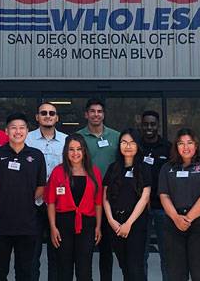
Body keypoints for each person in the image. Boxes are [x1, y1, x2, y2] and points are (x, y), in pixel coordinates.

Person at [0, 113, 46, 281]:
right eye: (13, 128)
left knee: (25, 272)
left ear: (28, 131)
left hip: (27, 225)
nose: (17, 132)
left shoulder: (36, 155)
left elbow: (41, 186)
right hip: (1, 225)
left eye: (22, 128)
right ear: (6, 131)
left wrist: (26, 202)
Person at [158, 128, 200, 281]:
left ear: (196, 145)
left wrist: (188, 219)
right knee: (175, 274)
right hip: (173, 225)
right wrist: (176, 218)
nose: (186, 147)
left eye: (190, 143)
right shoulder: (167, 168)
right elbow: (164, 195)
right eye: (181, 143)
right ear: (176, 147)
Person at [46, 133, 103, 281]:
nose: (75, 153)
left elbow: (98, 202)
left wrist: (98, 226)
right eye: (71, 149)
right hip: (63, 223)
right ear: (66, 151)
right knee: (63, 268)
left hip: (87, 224)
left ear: (84, 151)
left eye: (79, 149)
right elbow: (51, 202)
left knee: (84, 269)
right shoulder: (58, 172)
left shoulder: (94, 172)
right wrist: (53, 227)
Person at [76, 99, 120, 281]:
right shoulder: (78, 137)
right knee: (84, 247)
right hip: (85, 198)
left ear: (104, 114)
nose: (96, 114)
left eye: (99, 111)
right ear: (86, 114)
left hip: (110, 198)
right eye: (92, 111)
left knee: (107, 249)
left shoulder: (116, 137)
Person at [26, 102, 67, 281]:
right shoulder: (26, 139)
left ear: (57, 118)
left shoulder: (67, 141)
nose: (48, 116)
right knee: (31, 254)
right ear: (37, 117)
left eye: (52, 113)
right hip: (32, 204)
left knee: (57, 253)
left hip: (57, 204)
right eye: (44, 113)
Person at [103, 129, 151, 281]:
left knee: (135, 268)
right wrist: (111, 220)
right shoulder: (113, 168)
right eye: (124, 142)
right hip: (115, 224)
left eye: (132, 143)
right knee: (124, 266)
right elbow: (105, 197)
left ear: (138, 146)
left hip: (136, 224)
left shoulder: (143, 168)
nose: (128, 146)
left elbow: (144, 198)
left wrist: (128, 223)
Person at [138, 110, 171, 280]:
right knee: (141, 254)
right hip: (139, 208)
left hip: (162, 208)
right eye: (146, 124)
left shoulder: (168, 147)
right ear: (141, 126)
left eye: (152, 124)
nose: (149, 127)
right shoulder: (135, 146)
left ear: (158, 126)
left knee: (167, 254)